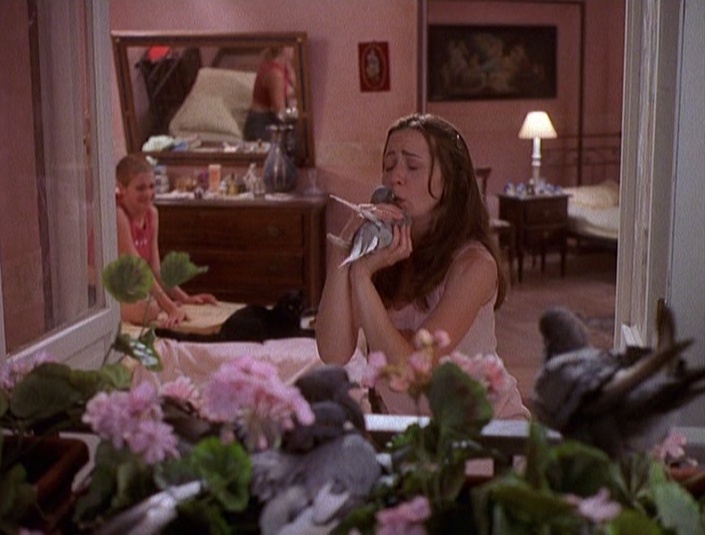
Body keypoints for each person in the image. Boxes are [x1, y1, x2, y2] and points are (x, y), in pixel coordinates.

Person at [316, 113, 516, 415]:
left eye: (412, 166)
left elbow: (411, 372)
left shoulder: (475, 265)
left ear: (449, 181)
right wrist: (345, 248)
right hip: (411, 428)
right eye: (388, 165)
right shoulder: (385, 252)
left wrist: (361, 277)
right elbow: (333, 352)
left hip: (480, 428)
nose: (395, 177)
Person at [116, 154, 217, 327]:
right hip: (108, 286)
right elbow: (139, 268)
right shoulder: (118, 215)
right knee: (148, 310)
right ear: (121, 188)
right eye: (140, 188)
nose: (148, 194)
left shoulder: (152, 214)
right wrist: (170, 308)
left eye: (151, 186)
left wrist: (185, 299)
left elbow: (155, 268)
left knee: (152, 307)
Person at [243, 46, 296, 142]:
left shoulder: (284, 66)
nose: (294, 49)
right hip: (260, 124)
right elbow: (280, 113)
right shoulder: (275, 74)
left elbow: (297, 92)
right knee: (297, 138)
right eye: (291, 46)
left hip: (269, 118)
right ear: (283, 49)